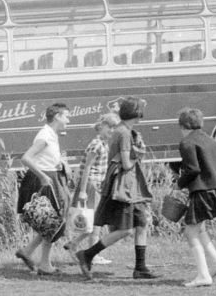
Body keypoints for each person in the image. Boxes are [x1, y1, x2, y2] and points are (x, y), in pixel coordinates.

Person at [76, 96, 157, 280]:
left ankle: (140, 267)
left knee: (142, 224)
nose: (140, 119)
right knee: (126, 230)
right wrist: (140, 152)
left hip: (130, 187)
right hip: (125, 187)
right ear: (135, 114)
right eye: (139, 115)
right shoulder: (125, 133)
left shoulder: (122, 130)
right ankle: (87, 254)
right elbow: (127, 164)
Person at [174, 107, 216, 287]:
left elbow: (193, 169)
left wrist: (179, 183)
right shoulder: (211, 140)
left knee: (189, 230)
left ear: (182, 125)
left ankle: (203, 275)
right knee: (200, 228)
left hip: (204, 190)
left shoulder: (187, 142)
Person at [13, 103, 71, 274]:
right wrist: (43, 176)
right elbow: (26, 158)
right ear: (58, 116)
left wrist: (58, 164)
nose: (68, 119)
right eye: (66, 116)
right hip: (44, 181)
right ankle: (40, 260)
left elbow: (44, 158)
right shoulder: (45, 135)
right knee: (53, 220)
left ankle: (31, 253)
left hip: (51, 177)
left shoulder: (51, 134)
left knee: (51, 221)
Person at [64, 114, 118, 264]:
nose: (112, 130)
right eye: (110, 127)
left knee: (93, 221)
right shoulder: (96, 144)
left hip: (96, 184)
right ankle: (91, 254)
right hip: (91, 185)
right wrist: (82, 191)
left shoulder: (103, 144)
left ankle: (75, 244)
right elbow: (87, 167)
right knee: (94, 220)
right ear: (101, 126)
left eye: (114, 128)